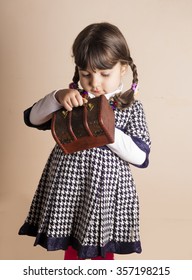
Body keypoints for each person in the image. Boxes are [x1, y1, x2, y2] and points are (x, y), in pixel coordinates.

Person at [18, 22, 151, 260]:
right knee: (73, 249)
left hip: (106, 192)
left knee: (100, 249)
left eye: (104, 74)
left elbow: (141, 156)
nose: (94, 82)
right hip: (68, 188)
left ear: (123, 69)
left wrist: (103, 126)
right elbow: (32, 118)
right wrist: (58, 97)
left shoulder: (131, 107)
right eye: (86, 74)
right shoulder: (73, 100)